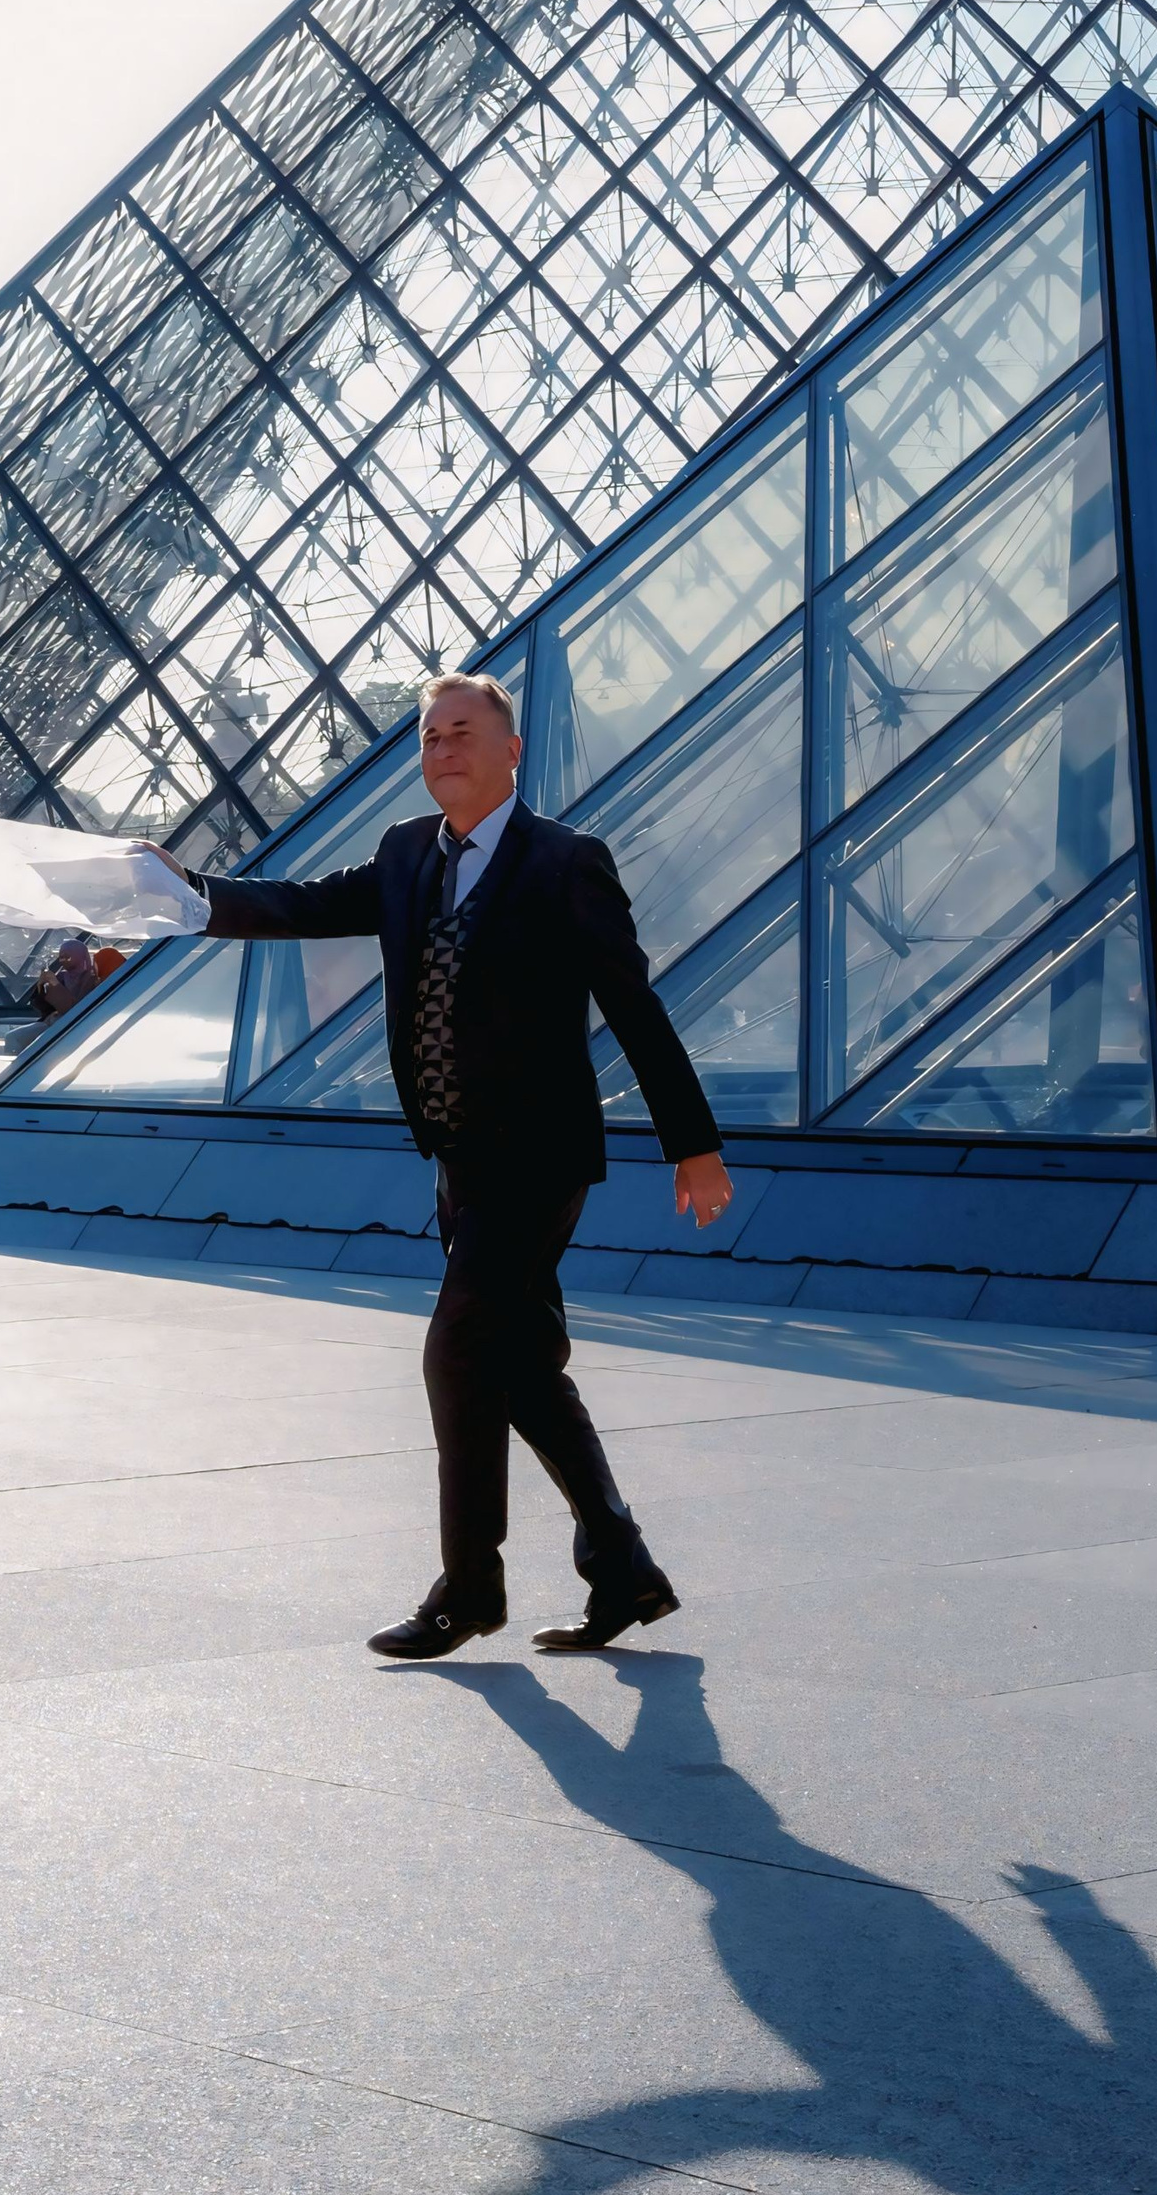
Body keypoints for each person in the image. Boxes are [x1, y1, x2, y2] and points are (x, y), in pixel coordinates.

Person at [154, 671, 732, 1662]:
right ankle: (623, 1568)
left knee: (454, 1349)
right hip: (460, 1159)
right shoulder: (403, 856)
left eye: (462, 731)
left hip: (539, 1156)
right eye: (427, 736)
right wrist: (182, 894)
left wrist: (692, 1141)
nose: (442, 748)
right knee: (520, 1365)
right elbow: (295, 905)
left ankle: (467, 1588)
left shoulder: (565, 861)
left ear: (512, 751)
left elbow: (631, 1002)